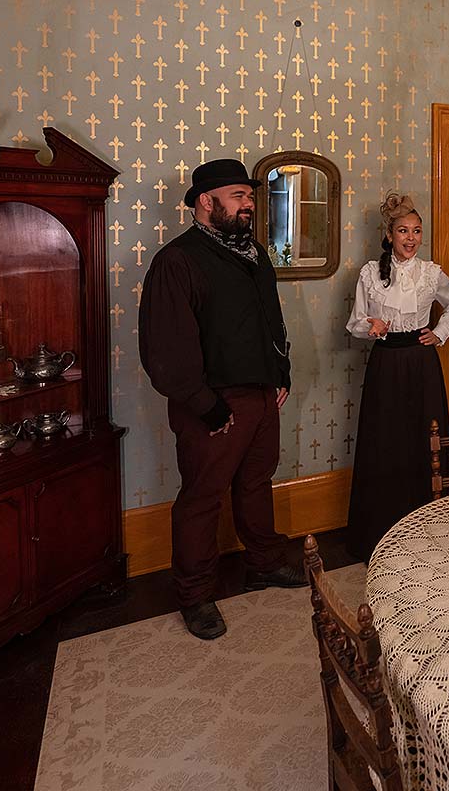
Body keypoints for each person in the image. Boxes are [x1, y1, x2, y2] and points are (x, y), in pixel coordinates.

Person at [139, 158, 304, 641]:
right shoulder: (178, 261)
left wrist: (281, 372)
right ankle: (194, 595)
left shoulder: (253, 252)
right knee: (202, 498)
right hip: (211, 405)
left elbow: (270, 320)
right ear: (205, 203)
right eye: (239, 196)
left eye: (250, 196)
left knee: (256, 482)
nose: (250, 204)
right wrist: (206, 406)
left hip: (260, 394)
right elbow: (166, 349)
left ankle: (265, 563)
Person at [345, 192, 449, 561]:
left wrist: (439, 333)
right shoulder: (369, 273)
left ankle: (429, 530)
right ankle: (379, 533)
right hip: (385, 364)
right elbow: (354, 323)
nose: (411, 238)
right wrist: (372, 325)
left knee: (423, 438)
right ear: (389, 234)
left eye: (416, 231)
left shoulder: (431, 273)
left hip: (420, 363)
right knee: (385, 441)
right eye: (403, 231)